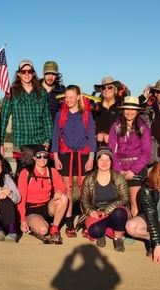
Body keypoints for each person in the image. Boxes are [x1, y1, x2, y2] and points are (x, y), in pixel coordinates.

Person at [52, 85, 96, 237]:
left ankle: (85, 221)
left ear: (78, 97)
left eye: (71, 97)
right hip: (65, 154)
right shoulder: (61, 114)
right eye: (66, 97)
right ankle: (69, 221)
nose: (68, 100)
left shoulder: (86, 114)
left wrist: (91, 157)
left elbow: (91, 136)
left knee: (84, 189)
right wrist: (56, 156)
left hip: (83, 154)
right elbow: (55, 136)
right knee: (68, 189)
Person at [77, 148, 130, 252]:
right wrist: (90, 211)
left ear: (111, 162)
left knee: (119, 213)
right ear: (97, 161)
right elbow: (84, 199)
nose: (104, 163)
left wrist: (109, 209)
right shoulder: (89, 179)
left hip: (115, 211)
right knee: (95, 231)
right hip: (98, 213)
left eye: (107, 160)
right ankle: (103, 231)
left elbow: (125, 198)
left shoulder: (119, 177)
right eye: (101, 160)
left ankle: (118, 238)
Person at [0, 60, 53, 157]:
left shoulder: (42, 92)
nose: (27, 74)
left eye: (30, 71)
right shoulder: (11, 92)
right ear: (19, 74)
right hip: (20, 143)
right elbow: (4, 119)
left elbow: (47, 118)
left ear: (34, 73)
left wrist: (48, 139)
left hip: (39, 142)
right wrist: (1, 142)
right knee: (23, 167)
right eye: (23, 71)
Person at [108, 96, 151, 217]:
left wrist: (133, 171)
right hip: (118, 168)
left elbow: (146, 152)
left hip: (137, 168)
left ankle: (133, 225)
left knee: (134, 201)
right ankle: (119, 224)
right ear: (123, 110)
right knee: (118, 201)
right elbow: (112, 149)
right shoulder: (115, 126)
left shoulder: (143, 127)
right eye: (127, 109)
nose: (129, 112)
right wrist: (118, 169)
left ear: (137, 111)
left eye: (133, 109)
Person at [16, 145, 68, 244]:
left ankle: (55, 229)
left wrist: (59, 192)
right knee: (43, 230)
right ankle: (34, 226)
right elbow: (21, 199)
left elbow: (61, 188)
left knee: (64, 198)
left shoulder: (52, 172)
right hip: (31, 209)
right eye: (39, 156)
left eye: (45, 156)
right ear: (34, 157)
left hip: (46, 207)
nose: (42, 159)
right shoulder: (26, 173)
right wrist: (22, 220)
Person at [91, 77, 124, 146]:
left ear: (115, 90)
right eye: (103, 88)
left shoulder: (121, 107)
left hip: (117, 147)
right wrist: (96, 136)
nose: (106, 90)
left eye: (109, 87)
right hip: (98, 147)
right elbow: (88, 127)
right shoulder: (95, 108)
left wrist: (112, 138)